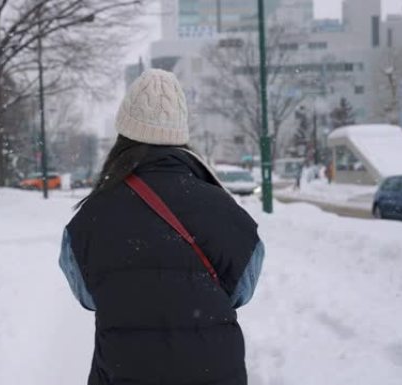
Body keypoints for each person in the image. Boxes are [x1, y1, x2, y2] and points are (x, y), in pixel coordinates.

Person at [59, 69, 265, 385]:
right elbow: (241, 292)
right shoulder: (226, 211)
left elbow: (88, 297)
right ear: (181, 135)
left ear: (123, 136)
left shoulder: (91, 218)